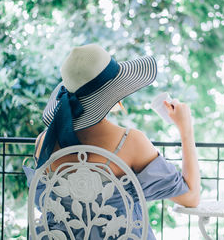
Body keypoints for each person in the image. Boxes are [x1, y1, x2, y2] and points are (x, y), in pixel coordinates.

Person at [23, 44, 200, 239]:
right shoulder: (130, 142)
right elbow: (190, 197)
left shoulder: (43, 142)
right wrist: (186, 129)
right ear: (112, 94)